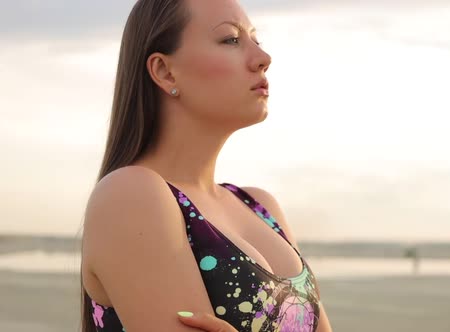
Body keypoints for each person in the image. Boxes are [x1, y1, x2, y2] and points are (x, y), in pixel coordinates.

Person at [79, 0, 333, 331]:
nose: (263, 59)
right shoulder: (130, 195)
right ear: (164, 71)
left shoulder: (260, 206)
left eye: (256, 40)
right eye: (231, 39)